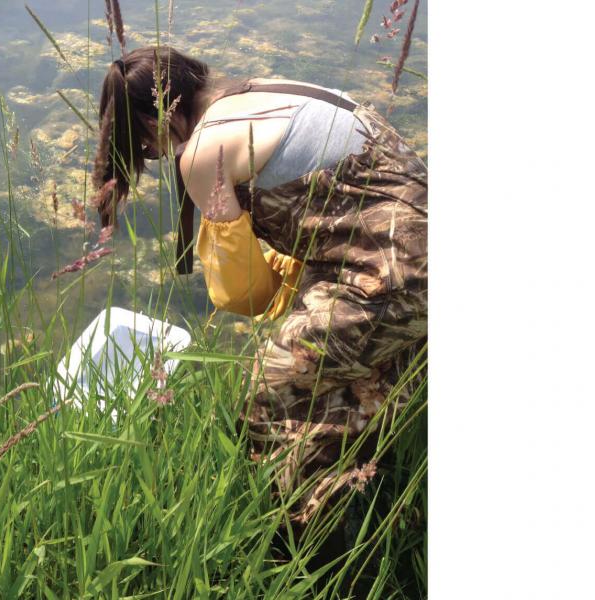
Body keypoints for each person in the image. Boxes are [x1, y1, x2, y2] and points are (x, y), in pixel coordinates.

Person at [91, 46, 427, 526]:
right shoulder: (262, 90)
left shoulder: (204, 153)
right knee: (347, 375)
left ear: (156, 119)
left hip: (395, 277)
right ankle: (376, 482)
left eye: (145, 146)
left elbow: (244, 294)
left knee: (266, 393)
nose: (154, 155)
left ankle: (309, 540)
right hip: (409, 254)